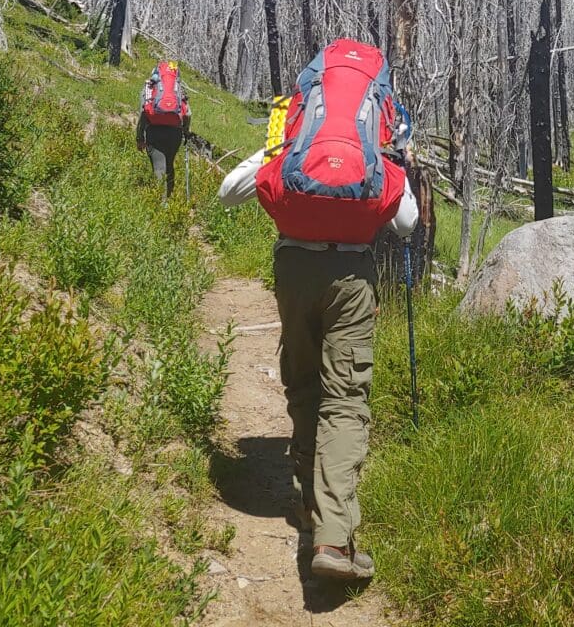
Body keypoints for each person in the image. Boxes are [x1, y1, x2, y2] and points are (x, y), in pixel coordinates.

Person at [218, 39, 418, 582]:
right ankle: (334, 537)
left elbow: (227, 191)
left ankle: (309, 506)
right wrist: (390, 166)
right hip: (350, 274)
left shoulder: (292, 125)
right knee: (346, 400)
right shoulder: (380, 130)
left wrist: (279, 159)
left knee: (305, 388)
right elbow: (407, 224)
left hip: (292, 269)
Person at [136, 60, 190, 201]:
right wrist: (186, 131)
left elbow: (143, 113)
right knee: (169, 165)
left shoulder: (149, 87)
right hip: (175, 133)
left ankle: (161, 205)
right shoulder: (179, 89)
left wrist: (140, 138)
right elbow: (188, 114)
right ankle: (170, 199)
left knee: (159, 168)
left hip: (154, 131)